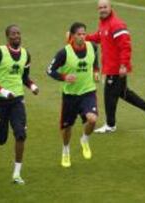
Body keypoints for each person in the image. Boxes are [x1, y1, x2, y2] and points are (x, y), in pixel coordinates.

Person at [86, 0, 145, 133]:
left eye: (105, 7)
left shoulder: (116, 24)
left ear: (111, 7)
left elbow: (125, 47)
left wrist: (123, 65)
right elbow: (98, 37)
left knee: (109, 96)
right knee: (124, 93)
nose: (102, 10)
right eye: (100, 8)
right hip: (111, 67)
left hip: (117, 68)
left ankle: (110, 125)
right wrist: (84, 38)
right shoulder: (104, 23)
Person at [0, 24, 39, 184]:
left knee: (21, 134)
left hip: (17, 100)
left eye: (18, 33)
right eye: (13, 34)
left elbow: (24, 77)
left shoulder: (26, 54)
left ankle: (17, 174)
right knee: (1, 140)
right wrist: (2, 91)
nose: (17, 36)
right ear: (7, 37)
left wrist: (32, 86)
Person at [47, 22, 100, 168]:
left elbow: (95, 62)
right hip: (70, 96)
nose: (82, 37)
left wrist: (96, 72)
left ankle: (84, 139)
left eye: (84, 34)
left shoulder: (92, 47)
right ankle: (66, 150)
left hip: (88, 92)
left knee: (93, 119)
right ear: (72, 36)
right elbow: (49, 70)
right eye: (79, 34)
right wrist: (64, 77)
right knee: (67, 127)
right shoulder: (63, 53)